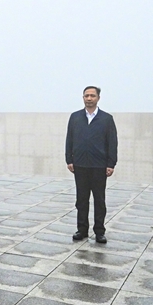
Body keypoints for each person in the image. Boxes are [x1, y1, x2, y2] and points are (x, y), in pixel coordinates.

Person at [65, 86, 118, 244]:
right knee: (81, 200)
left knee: (99, 200)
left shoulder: (106, 119)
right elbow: (69, 139)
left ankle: (99, 231)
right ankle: (82, 229)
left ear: (98, 98)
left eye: (92, 96)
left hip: (99, 166)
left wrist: (111, 163)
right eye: (86, 95)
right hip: (80, 165)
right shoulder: (75, 117)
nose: (89, 98)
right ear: (83, 98)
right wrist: (69, 159)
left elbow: (112, 142)